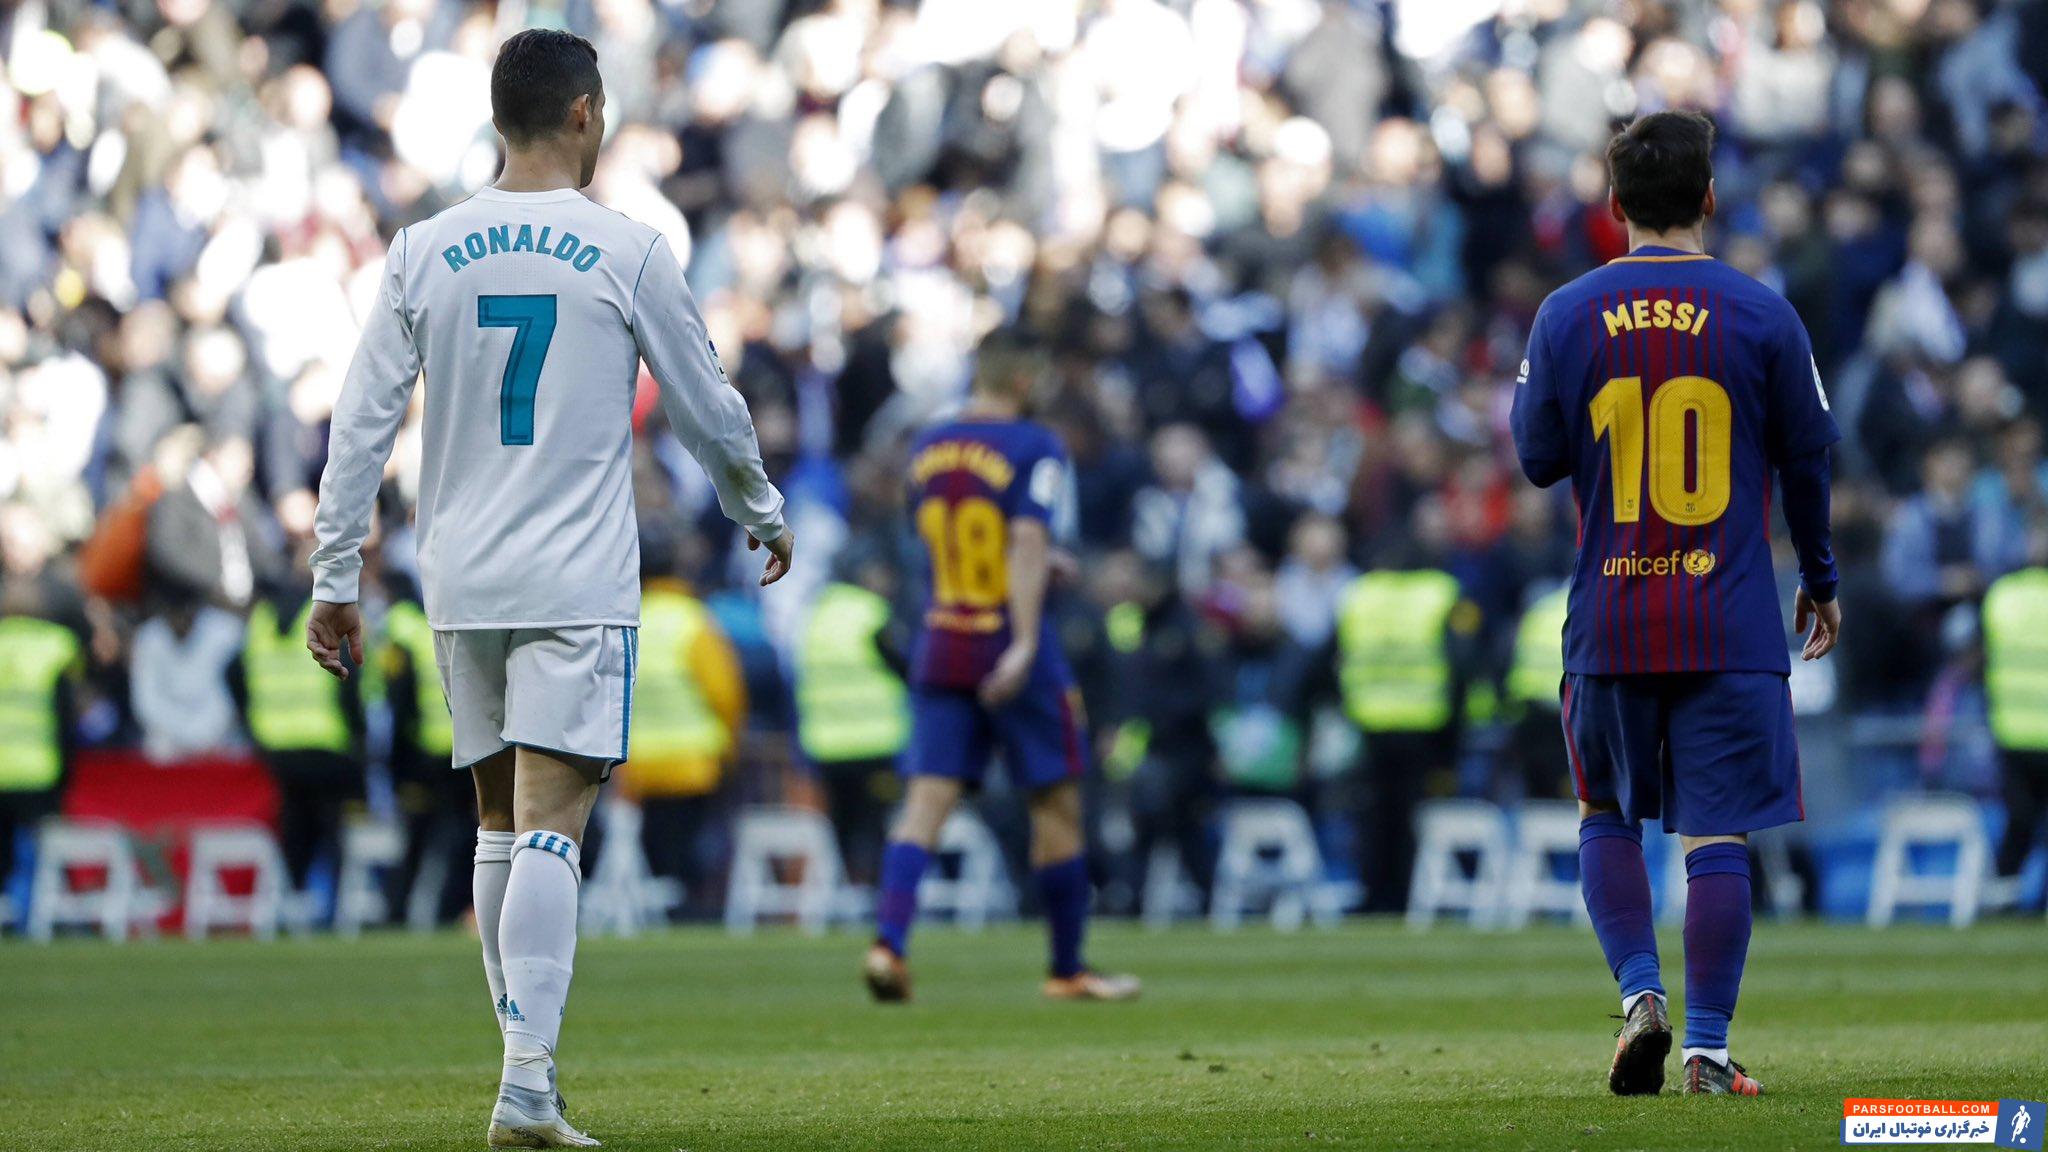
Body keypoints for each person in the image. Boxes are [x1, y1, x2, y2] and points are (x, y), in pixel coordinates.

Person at [303, 29, 792, 1148]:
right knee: (551, 828)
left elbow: (360, 420)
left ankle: (526, 1070)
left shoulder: (423, 248)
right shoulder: (626, 249)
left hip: (459, 576)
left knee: (498, 821)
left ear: (497, 116)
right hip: (573, 576)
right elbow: (707, 406)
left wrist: (336, 572)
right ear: (584, 113)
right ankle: (526, 1082)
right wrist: (759, 509)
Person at [1509, 111, 1842, 1098]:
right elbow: (1809, 460)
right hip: (1728, 616)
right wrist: (1819, 578)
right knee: (1716, 833)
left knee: (1604, 813)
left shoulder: (1565, 313)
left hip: (1610, 616)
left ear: (1613, 204)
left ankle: (1638, 996)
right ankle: (1705, 1049)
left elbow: (1535, 458)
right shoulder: (1763, 314)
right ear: (1709, 197)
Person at [863, 331, 1138, 1004]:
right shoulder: (1034, 444)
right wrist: (1022, 640)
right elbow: (1025, 534)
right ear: (1023, 379)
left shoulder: (928, 445)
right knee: (1056, 801)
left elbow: (937, 536)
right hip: (1009, 639)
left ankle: (888, 944)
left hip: (942, 634)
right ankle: (1067, 967)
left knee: (926, 802)